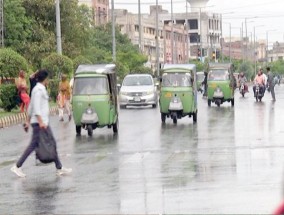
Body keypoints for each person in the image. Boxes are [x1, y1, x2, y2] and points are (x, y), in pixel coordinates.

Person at [10, 69, 72, 178]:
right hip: (40, 124)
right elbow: (37, 107)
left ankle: (59, 167)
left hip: (40, 122)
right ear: (45, 79)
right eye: (47, 78)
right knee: (35, 144)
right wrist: (40, 122)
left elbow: (31, 107)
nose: (48, 80)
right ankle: (17, 166)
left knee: (50, 143)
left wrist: (28, 122)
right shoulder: (38, 90)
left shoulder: (37, 89)